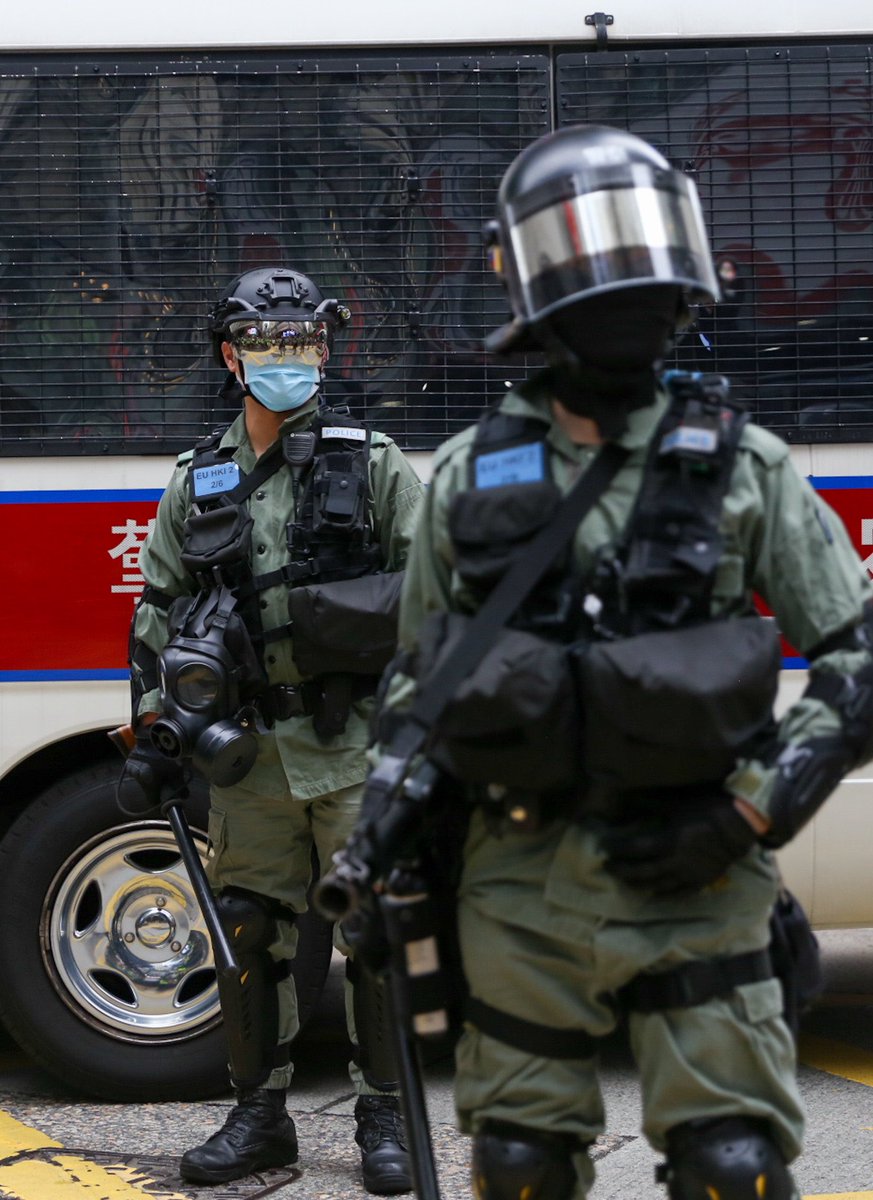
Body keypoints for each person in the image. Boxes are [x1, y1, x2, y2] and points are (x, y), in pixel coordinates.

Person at [375, 125, 873, 1199]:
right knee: (517, 1169)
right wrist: (391, 826)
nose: (623, 276)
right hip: (519, 883)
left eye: (642, 243)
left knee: (731, 1168)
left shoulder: (747, 464)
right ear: (531, 284)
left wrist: (745, 814)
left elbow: (857, 664)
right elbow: (417, 686)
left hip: (702, 872)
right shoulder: (466, 476)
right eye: (588, 249)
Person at [118, 266, 424, 1193]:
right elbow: (156, 619)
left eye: (306, 344)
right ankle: (261, 1119)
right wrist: (153, 738)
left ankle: (386, 1121)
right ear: (231, 357)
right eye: (268, 345)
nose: (291, 361)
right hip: (248, 759)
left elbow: (438, 604)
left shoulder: (371, 463)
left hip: (354, 749)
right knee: (250, 934)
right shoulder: (196, 481)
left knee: (371, 931)